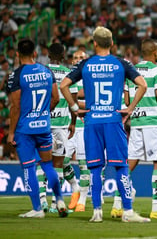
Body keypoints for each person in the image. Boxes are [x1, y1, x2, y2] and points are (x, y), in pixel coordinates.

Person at [60, 26, 149, 223]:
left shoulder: (85, 64)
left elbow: (63, 85)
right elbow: (142, 85)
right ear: (112, 44)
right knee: (121, 167)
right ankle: (127, 212)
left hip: (92, 122)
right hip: (113, 120)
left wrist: (75, 108)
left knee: (94, 169)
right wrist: (130, 108)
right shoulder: (121, 63)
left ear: (94, 43)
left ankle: (97, 212)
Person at [111, 38, 157, 220]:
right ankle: (156, 209)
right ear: (155, 52)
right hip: (154, 121)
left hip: (137, 122)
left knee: (130, 162)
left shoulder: (131, 71)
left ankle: (117, 205)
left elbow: (126, 101)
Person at [6, 39, 68, 218]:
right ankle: (59, 199)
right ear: (35, 54)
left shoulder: (16, 76)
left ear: (17, 55)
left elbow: (16, 107)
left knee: (28, 168)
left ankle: (37, 209)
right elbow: (56, 98)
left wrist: (11, 133)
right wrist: (43, 114)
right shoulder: (47, 71)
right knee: (48, 165)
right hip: (43, 127)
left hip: (24, 130)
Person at [46, 43, 80, 213]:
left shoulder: (41, 71)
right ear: (64, 55)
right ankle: (55, 203)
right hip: (60, 125)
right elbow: (72, 101)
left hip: (42, 123)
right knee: (58, 162)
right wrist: (73, 122)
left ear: (48, 54)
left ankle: (41, 202)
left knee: (42, 162)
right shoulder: (68, 74)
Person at [64, 50, 90, 211]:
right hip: (66, 126)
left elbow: (91, 103)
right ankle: (75, 187)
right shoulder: (67, 78)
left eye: (81, 58)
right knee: (62, 162)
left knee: (83, 164)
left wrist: (72, 101)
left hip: (83, 127)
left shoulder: (89, 79)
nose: (78, 60)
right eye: (75, 58)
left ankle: (83, 200)